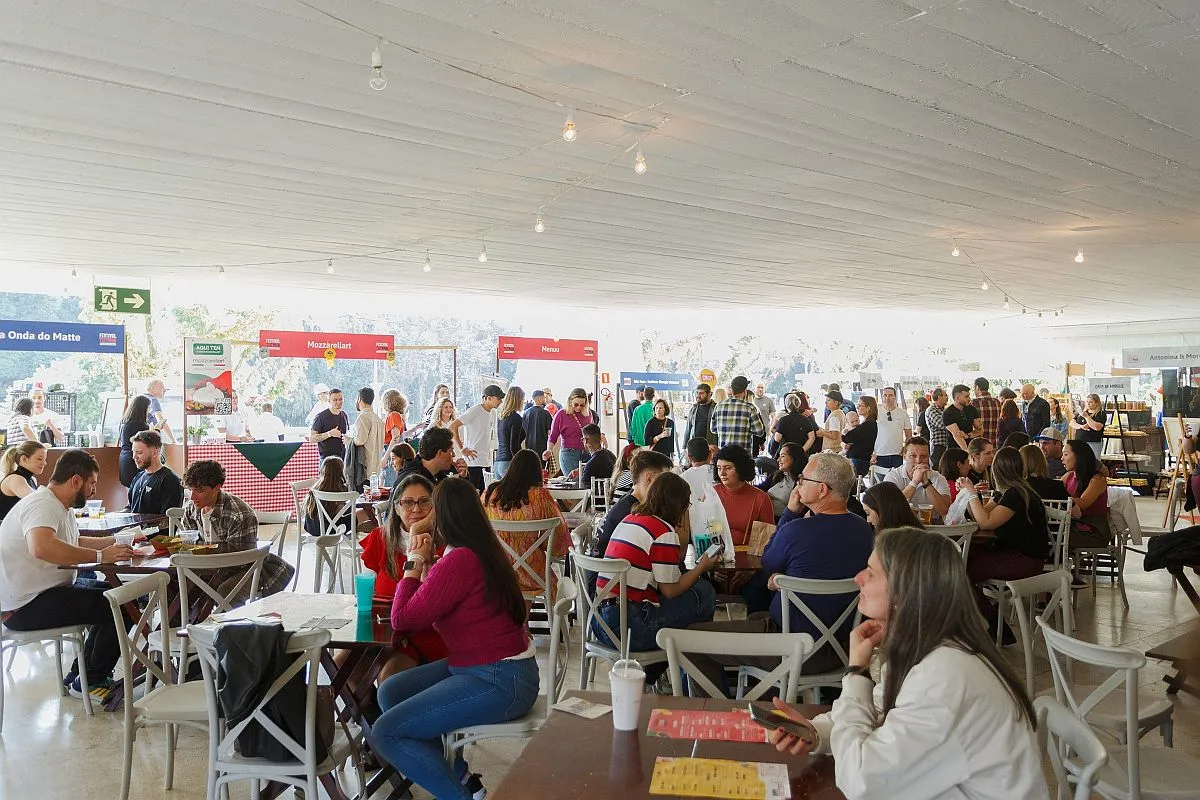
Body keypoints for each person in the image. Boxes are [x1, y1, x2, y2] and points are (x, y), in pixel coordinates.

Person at [766, 528, 1045, 800]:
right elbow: (879, 712)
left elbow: (862, 782)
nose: (858, 578)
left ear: (904, 592)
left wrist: (857, 673)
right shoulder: (930, 647)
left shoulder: (945, 673)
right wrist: (815, 733)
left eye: (871, 573)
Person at [371, 478, 538, 800]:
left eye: (429, 507)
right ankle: (463, 779)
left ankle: (458, 795)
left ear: (443, 517)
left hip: (499, 679)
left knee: (386, 732)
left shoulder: (461, 559)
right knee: (392, 690)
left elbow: (402, 619)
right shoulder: (480, 548)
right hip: (493, 668)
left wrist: (414, 563)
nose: (421, 515)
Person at [0, 449, 138, 701]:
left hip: (40, 595)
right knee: (123, 605)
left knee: (119, 595)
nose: (94, 490)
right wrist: (100, 557)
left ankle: (81, 676)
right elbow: (41, 547)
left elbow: (73, 541)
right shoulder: (42, 504)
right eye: (92, 483)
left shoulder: (54, 503)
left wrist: (117, 541)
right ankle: (91, 680)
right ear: (76, 481)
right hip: (23, 607)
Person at [595, 472, 719, 652]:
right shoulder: (663, 532)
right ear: (680, 506)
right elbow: (670, 590)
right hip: (629, 629)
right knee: (704, 592)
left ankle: (661, 669)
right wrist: (702, 567)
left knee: (689, 601)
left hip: (599, 622)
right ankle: (692, 668)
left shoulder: (630, 519)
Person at [358, 474, 448, 680]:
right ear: (396, 508)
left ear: (435, 507)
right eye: (408, 502)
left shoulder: (445, 544)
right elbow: (366, 593)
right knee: (341, 668)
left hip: (424, 634)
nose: (416, 509)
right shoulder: (380, 538)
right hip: (381, 631)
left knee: (388, 677)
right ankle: (365, 712)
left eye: (424, 501)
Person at [959, 447, 1049, 637]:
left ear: (997, 471)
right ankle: (986, 617)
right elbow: (982, 515)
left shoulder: (1016, 495)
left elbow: (986, 522)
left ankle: (993, 623)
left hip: (1025, 560)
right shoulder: (1009, 492)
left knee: (958, 572)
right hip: (1016, 553)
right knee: (959, 560)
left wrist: (971, 494)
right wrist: (971, 495)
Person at [179, 460, 294, 595]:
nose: (192, 496)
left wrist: (199, 552)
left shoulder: (239, 514)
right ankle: (193, 616)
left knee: (224, 591)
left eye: (199, 490)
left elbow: (240, 560)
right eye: (190, 490)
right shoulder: (191, 508)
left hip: (246, 569)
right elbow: (187, 543)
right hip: (208, 567)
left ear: (217, 488)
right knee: (175, 584)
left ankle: (219, 616)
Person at [483, 449, 570, 599]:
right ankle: (523, 619)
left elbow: (480, 531)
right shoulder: (539, 497)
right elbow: (557, 541)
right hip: (533, 572)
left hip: (496, 571)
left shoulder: (490, 493)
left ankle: (515, 619)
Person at [712, 445, 774, 547]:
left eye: (728, 468)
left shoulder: (761, 498)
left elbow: (767, 539)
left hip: (749, 558)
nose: (722, 473)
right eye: (719, 468)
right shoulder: (711, 494)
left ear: (741, 468)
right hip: (715, 556)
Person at [883, 436, 951, 520]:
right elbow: (890, 509)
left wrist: (926, 482)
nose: (918, 460)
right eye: (913, 456)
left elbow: (945, 511)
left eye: (923, 456)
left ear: (928, 457)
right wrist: (914, 482)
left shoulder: (938, 478)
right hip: (901, 528)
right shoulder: (893, 476)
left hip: (932, 529)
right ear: (904, 457)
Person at [451, 385, 503, 492]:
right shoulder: (475, 410)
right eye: (498, 399)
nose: (500, 402)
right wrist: (462, 448)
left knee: (483, 495)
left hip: (486, 461)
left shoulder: (493, 412)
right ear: (489, 398)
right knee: (473, 494)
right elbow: (453, 426)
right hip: (473, 461)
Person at [1062, 439, 1111, 549]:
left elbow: (1083, 503)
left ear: (1079, 456)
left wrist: (1058, 497)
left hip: (1094, 531)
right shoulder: (1068, 476)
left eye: (1066, 454)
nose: (1062, 458)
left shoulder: (1097, 479)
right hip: (1072, 525)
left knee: (1056, 537)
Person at [126, 431, 183, 515]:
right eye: (133, 452)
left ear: (155, 453)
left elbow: (169, 520)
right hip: (134, 527)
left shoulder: (169, 480)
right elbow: (130, 508)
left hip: (153, 528)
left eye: (139, 453)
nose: (134, 457)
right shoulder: (138, 477)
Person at [542, 387, 590, 480]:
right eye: (576, 404)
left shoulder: (588, 414)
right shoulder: (561, 414)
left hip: (587, 453)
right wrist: (549, 450)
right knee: (574, 482)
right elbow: (553, 436)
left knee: (586, 483)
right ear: (570, 401)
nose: (579, 407)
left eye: (582, 405)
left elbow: (592, 431)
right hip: (569, 454)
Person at [710, 376, 766, 452]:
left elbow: (713, 429)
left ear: (732, 390)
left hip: (724, 454)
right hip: (742, 455)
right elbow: (759, 431)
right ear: (745, 390)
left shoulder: (719, 406)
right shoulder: (750, 408)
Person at [303, 456, 354, 537]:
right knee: (364, 512)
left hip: (312, 527)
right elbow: (340, 512)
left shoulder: (316, 487)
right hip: (331, 529)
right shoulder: (338, 489)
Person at [0, 440, 46, 521]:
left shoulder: (32, 480)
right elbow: (36, 500)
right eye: (40, 459)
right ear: (24, 459)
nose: (44, 463)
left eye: (44, 459)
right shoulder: (15, 479)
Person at [758, 442, 805, 519]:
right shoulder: (777, 475)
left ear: (794, 458)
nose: (778, 459)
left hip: (785, 522)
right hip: (765, 519)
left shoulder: (802, 481)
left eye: (782, 456)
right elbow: (760, 488)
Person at [350, 387, 386, 489]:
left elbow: (359, 441)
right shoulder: (378, 419)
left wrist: (349, 440)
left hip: (364, 467)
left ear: (359, 399)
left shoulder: (363, 417)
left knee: (361, 499)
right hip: (376, 467)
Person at [493, 386, 526, 481]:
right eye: (522, 399)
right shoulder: (516, 418)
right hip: (509, 462)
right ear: (518, 400)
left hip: (498, 462)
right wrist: (521, 463)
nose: (523, 402)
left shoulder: (501, 417)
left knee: (500, 495)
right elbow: (514, 446)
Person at [873, 387, 911, 469]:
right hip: (879, 454)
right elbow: (869, 434)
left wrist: (905, 448)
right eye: (885, 395)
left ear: (895, 397)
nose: (887, 398)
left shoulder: (903, 413)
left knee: (896, 480)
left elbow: (908, 435)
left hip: (897, 454)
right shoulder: (875, 413)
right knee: (880, 480)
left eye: (890, 395)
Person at [841, 396, 878, 477]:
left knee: (853, 485)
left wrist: (844, 435)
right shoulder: (867, 424)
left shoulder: (868, 425)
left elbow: (847, 437)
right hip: (860, 459)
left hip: (859, 460)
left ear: (868, 408)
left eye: (859, 406)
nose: (857, 408)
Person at [773, 392, 818, 459]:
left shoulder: (783, 420)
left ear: (787, 404)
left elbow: (777, 438)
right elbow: (812, 437)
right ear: (799, 404)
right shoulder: (805, 419)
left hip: (786, 453)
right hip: (802, 454)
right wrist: (802, 450)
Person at [310, 387, 348, 461]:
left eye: (340, 399)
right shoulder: (320, 417)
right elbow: (312, 438)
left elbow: (345, 434)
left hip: (342, 458)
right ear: (329, 401)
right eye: (335, 400)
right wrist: (329, 434)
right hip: (326, 459)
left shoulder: (344, 415)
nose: (339, 402)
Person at [942, 384, 978, 452]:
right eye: (966, 396)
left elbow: (980, 430)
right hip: (955, 451)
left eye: (969, 396)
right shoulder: (948, 413)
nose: (969, 398)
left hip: (972, 448)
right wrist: (967, 452)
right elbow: (957, 435)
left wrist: (967, 435)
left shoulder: (972, 409)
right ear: (957, 398)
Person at [1070, 393, 1107, 459]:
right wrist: (1081, 426)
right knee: (1079, 461)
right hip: (1079, 441)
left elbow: (1097, 427)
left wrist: (1087, 417)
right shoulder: (1081, 413)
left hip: (1093, 442)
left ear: (1097, 403)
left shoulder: (1101, 414)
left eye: (1091, 402)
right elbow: (1072, 423)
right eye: (1087, 402)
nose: (1088, 404)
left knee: (1093, 461)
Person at [521, 390, 553, 464]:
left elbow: (523, 430)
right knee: (542, 471)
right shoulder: (545, 413)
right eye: (544, 397)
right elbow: (550, 432)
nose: (545, 400)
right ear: (539, 398)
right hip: (542, 447)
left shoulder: (526, 413)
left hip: (528, 446)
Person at [924, 388, 950, 468]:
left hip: (945, 445)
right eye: (945, 395)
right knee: (936, 469)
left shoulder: (943, 410)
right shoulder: (932, 410)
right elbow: (942, 424)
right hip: (937, 446)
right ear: (939, 397)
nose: (947, 397)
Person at [972, 377, 1002, 444]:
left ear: (977, 387)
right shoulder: (997, 402)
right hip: (994, 442)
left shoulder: (974, 402)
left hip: (978, 444)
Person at [145, 379, 175, 444]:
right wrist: (173, 441)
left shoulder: (142, 397)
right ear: (152, 388)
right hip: (148, 440)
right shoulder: (153, 400)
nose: (164, 390)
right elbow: (162, 421)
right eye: (162, 387)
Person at [751, 383, 776, 454]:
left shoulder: (769, 401)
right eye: (758, 387)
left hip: (766, 431)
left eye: (762, 388)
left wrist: (772, 427)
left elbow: (773, 416)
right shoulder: (752, 400)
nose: (760, 389)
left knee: (764, 453)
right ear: (754, 389)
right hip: (754, 431)